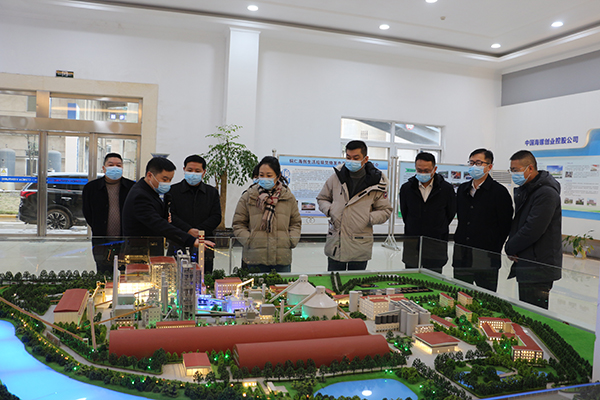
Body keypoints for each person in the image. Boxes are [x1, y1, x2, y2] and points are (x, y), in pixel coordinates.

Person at [317, 140, 392, 271]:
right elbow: (322, 198)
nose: (351, 161)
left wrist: (368, 218)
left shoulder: (377, 182)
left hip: (360, 243)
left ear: (365, 159)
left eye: (356, 158)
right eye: (348, 157)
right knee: (334, 280)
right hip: (337, 243)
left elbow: (385, 210)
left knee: (356, 281)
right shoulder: (336, 177)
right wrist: (330, 210)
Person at [505, 150, 562, 309]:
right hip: (528, 261)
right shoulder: (528, 190)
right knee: (525, 308)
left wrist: (510, 247)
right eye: (511, 170)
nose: (513, 174)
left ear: (530, 168)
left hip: (539, 266)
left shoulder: (546, 193)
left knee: (534, 312)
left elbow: (533, 229)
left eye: (516, 170)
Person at [452, 148, 513, 292]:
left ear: (489, 166)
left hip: (486, 257)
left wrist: (493, 247)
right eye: (471, 162)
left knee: (485, 296)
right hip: (462, 254)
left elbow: (505, 225)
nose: (474, 166)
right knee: (461, 295)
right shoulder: (463, 189)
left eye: (479, 163)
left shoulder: (499, 192)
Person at [232, 156, 302, 273]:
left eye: (269, 175)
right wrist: (249, 240)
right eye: (261, 175)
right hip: (255, 257)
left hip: (281, 257)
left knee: (281, 284)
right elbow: (238, 223)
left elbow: (295, 223)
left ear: (278, 176)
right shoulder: (249, 196)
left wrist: (291, 240)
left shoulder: (288, 197)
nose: (265, 179)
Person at [122, 157, 204, 254]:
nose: (167, 183)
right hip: (139, 251)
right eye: (164, 179)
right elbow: (158, 224)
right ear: (150, 175)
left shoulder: (150, 191)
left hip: (151, 248)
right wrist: (190, 240)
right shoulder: (140, 195)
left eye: (170, 180)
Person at [399, 152, 456, 273]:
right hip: (413, 244)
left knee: (433, 279)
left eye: (427, 170)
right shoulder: (406, 188)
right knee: (411, 279)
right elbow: (405, 213)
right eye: (419, 170)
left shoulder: (446, 189)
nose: (423, 173)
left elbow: (450, 213)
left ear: (434, 169)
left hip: (436, 244)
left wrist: (437, 226)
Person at [82, 153, 135, 274]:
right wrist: (98, 226)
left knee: (127, 274)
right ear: (104, 168)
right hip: (101, 240)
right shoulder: (91, 188)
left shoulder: (132, 187)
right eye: (111, 165)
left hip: (126, 240)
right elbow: (87, 213)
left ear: (122, 168)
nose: (115, 167)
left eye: (118, 165)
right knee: (104, 273)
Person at [169, 155, 222, 273]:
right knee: (176, 277)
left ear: (204, 172)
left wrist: (199, 231)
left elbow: (216, 216)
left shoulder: (211, 192)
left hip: (204, 242)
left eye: (197, 171)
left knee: (204, 277)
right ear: (184, 170)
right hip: (178, 241)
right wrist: (188, 230)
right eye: (190, 170)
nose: (193, 173)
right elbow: (170, 215)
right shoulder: (172, 190)